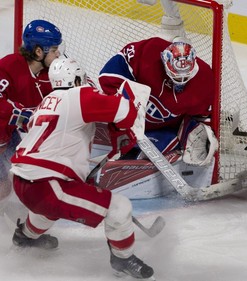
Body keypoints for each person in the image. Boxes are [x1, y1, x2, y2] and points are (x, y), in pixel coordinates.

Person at [9, 57, 154, 279]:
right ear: (77, 79)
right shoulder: (78, 95)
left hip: (23, 182)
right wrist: (132, 100)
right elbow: (124, 112)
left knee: (47, 209)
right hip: (47, 185)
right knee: (118, 208)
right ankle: (123, 260)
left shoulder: (45, 103)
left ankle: (25, 236)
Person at [98, 36, 218, 167]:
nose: (180, 83)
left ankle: (133, 158)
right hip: (124, 119)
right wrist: (123, 107)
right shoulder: (148, 51)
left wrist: (201, 132)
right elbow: (109, 74)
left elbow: (201, 117)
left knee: (161, 144)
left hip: (161, 131)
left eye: (185, 77)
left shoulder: (205, 81)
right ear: (164, 60)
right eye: (175, 77)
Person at [0, 19, 62, 204]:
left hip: (7, 135)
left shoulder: (46, 74)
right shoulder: (10, 66)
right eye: (53, 50)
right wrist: (18, 113)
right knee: (4, 186)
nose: (58, 54)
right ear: (38, 52)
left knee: (20, 172)